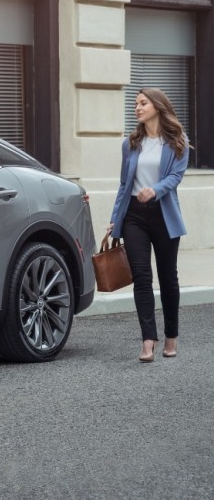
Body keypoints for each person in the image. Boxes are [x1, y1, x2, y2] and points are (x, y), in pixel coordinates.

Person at [108, 88, 189, 363]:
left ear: (157, 106)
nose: (138, 108)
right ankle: (147, 340)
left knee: (168, 278)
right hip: (134, 215)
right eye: (135, 104)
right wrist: (114, 218)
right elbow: (124, 185)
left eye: (143, 103)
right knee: (141, 277)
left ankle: (171, 336)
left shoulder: (176, 141)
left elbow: (176, 176)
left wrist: (155, 189)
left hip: (164, 213)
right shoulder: (130, 143)